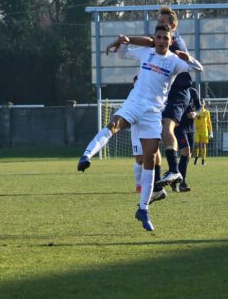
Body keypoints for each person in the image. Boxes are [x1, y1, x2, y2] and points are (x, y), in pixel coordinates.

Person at [77, 24, 203, 231]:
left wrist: (187, 58)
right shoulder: (146, 52)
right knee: (113, 124)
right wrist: (122, 41)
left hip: (153, 114)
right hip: (134, 104)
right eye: (159, 37)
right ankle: (87, 155)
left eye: (165, 38)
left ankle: (143, 209)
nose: (162, 40)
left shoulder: (174, 62)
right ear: (154, 39)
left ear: (170, 42)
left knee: (150, 158)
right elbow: (124, 54)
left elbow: (198, 68)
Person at [170, 87, 201, 193]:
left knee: (188, 155)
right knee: (186, 150)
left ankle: (174, 178)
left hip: (190, 127)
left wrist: (195, 113)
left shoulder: (193, 91)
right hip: (178, 126)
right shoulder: (173, 90)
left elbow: (199, 106)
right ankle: (182, 183)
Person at [194, 98, 213, 166]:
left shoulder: (206, 112)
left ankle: (203, 160)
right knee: (196, 144)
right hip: (196, 130)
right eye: (200, 102)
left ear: (204, 104)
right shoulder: (195, 111)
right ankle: (196, 157)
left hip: (204, 130)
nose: (201, 103)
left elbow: (209, 122)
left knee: (203, 145)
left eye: (203, 102)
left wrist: (211, 131)